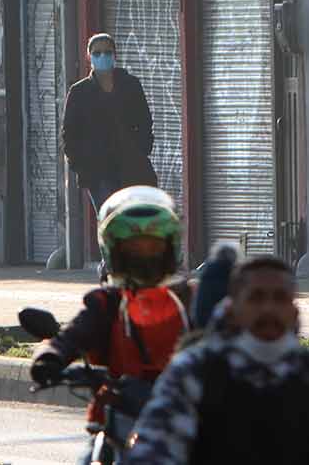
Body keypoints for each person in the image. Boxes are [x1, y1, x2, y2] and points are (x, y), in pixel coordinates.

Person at [125, 256, 309, 465]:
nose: (269, 309)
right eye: (256, 298)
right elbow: (154, 450)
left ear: (293, 311)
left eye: (280, 299)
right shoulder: (195, 370)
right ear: (233, 310)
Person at [30, 187, 193, 459]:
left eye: (152, 246)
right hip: (120, 413)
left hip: (186, 415)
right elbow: (74, 333)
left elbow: (224, 337)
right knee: (93, 458)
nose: (144, 255)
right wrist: (51, 356)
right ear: (114, 250)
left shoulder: (191, 299)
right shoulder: (107, 302)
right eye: (133, 248)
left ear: (170, 248)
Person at [61, 33, 159, 219]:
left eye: (107, 52)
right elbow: (69, 133)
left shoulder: (130, 85)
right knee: (112, 223)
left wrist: (142, 149)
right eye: (97, 53)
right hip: (99, 173)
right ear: (89, 56)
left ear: (115, 55)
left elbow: (145, 120)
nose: (102, 57)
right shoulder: (79, 92)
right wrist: (81, 165)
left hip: (132, 168)